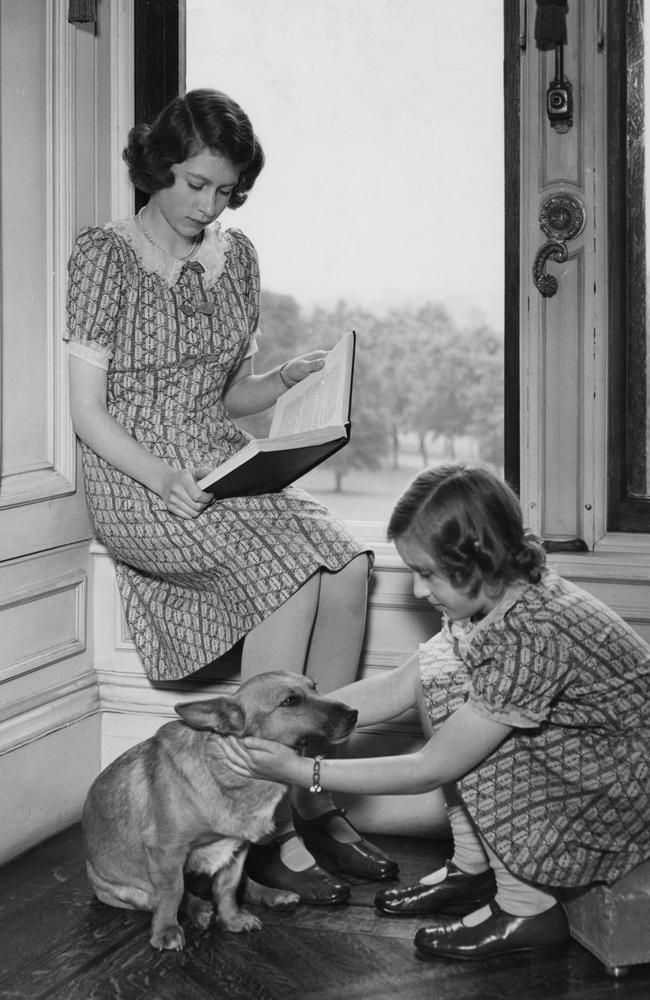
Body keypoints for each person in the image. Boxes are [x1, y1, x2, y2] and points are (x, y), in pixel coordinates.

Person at [65, 88, 396, 904]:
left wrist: (278, 383)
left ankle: (310, 793)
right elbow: (86, 412)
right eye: (193, 184)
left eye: (224, 190)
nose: (207, 205)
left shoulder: (235, 256)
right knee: (286, 567)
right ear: (156, 168)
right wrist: (158, 475)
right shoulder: (103, 257)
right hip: (139, 479)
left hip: (218, 463)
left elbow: (226, 397)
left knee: (347, 564)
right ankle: (264, 811)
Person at [220, 463, 650, 961]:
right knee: (438, 671)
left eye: (427, 574)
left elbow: (432, 767)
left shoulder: (529, 636)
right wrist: (294, 720)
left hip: (626, 785)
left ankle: (527, 909)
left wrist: (302, 770)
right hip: (595, 753)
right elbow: (401, 685)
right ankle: (473, 868)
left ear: (480, 564)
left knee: (477, 744)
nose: (419, 591)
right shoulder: (496, 599)